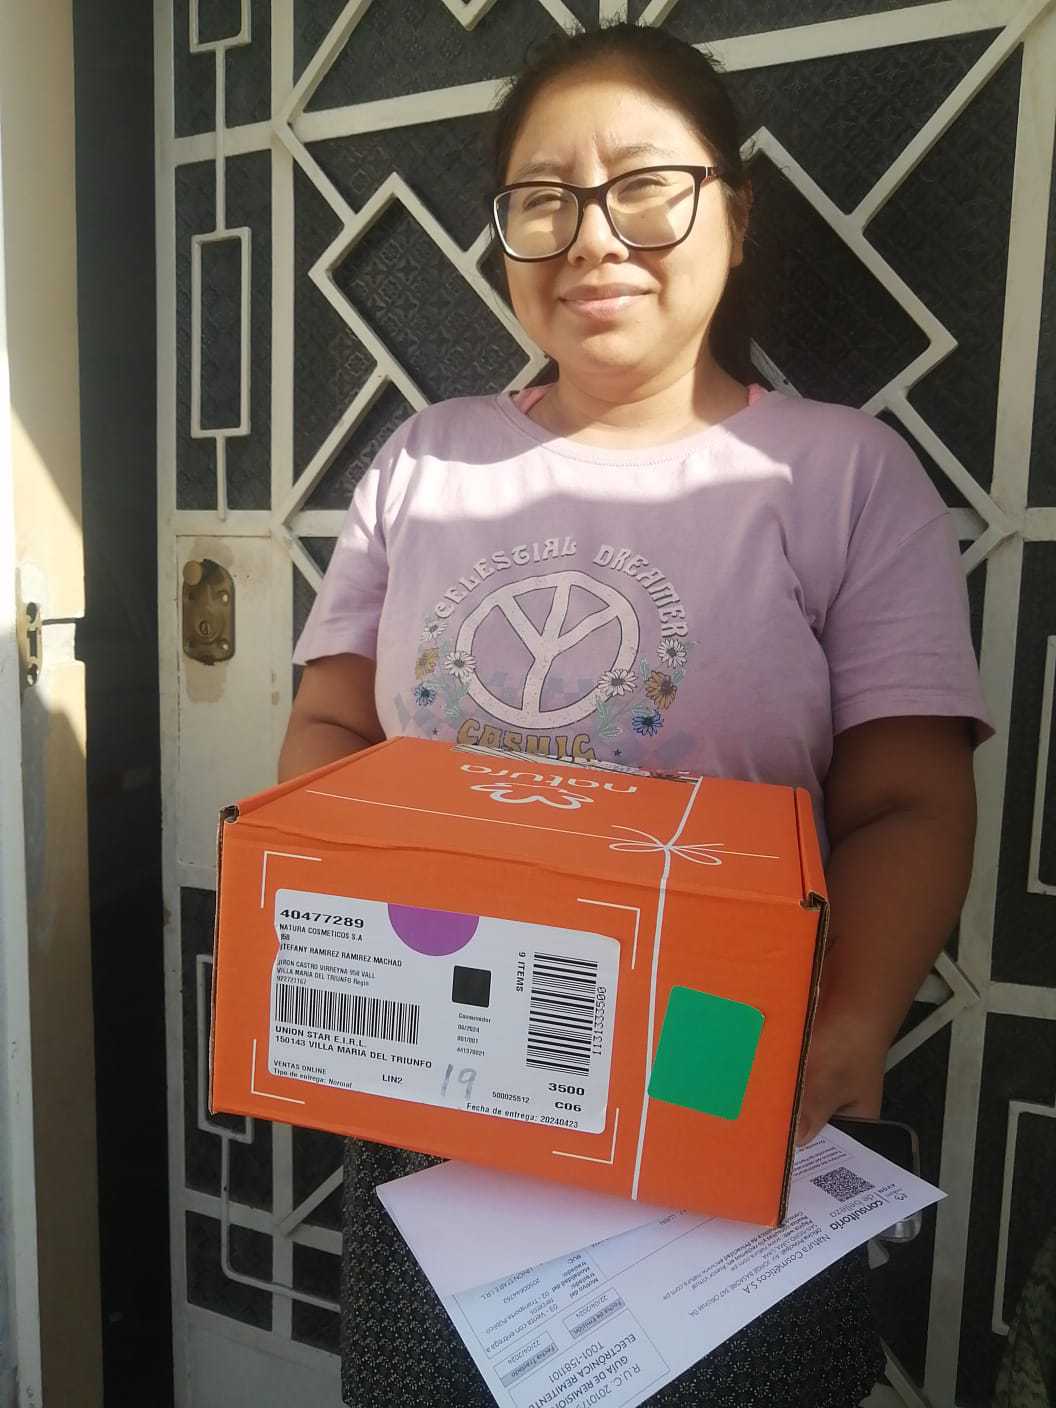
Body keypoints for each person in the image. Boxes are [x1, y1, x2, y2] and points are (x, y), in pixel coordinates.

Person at [278, 22, 991, 1407]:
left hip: (718, 1071)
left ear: (735, 211)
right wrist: (331, 938)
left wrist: (848, 1031)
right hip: (448, 1068)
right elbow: (332, 731)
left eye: (645, 187)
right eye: (544, 199)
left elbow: (909, 801)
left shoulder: (841, 476)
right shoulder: (425, 462)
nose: (594, 238)